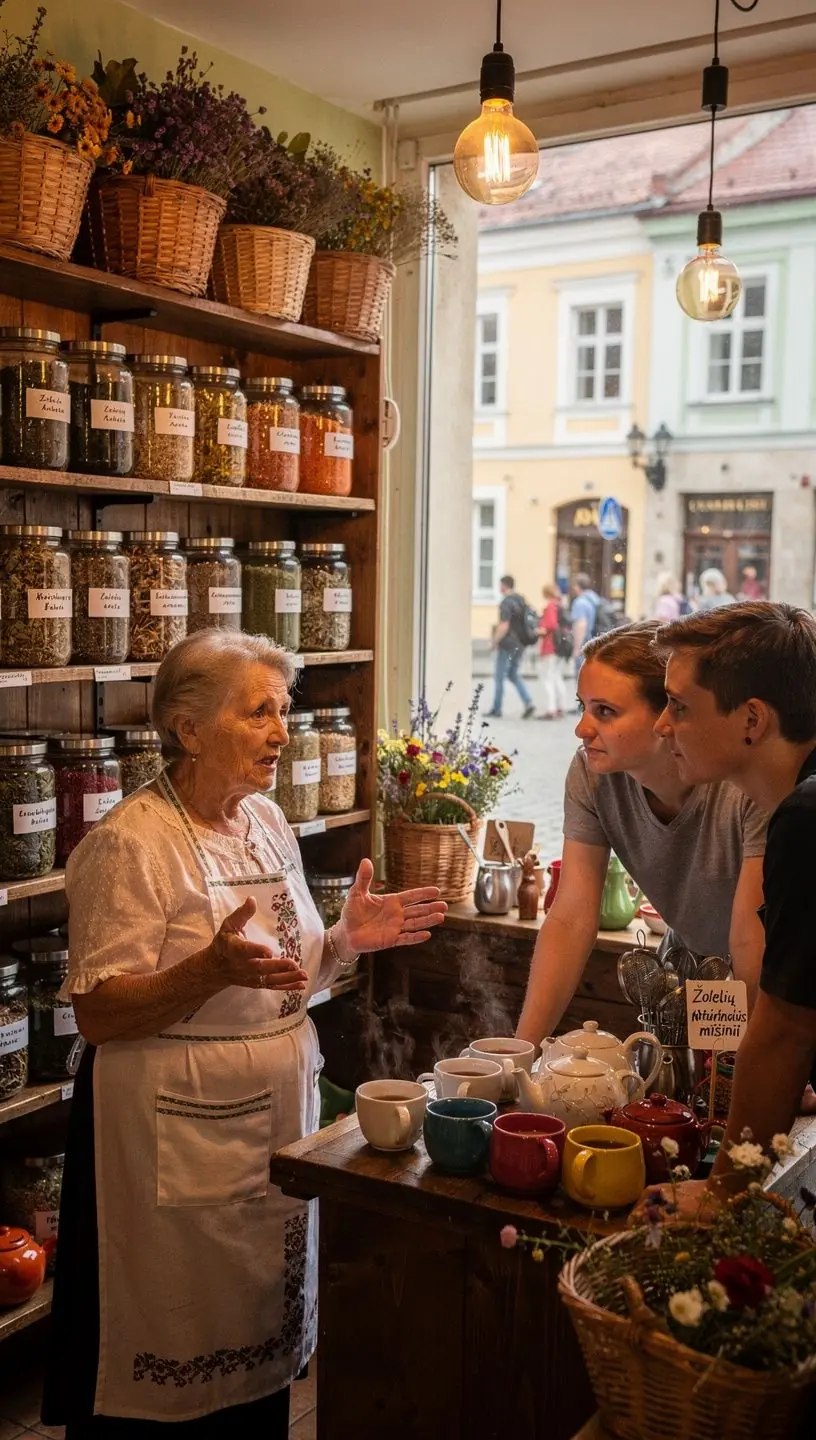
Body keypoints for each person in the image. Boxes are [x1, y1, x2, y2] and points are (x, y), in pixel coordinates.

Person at [43, 630, 446, 1437]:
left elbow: (286, 980)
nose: (281, 731)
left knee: (259, 1332)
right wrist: (206, 970)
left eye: (283, 710)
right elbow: (99, 1013)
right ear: (187, 729)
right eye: (258, 711)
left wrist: (342, 943)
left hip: (269, 1125)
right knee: (170, 1340)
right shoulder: (130, 843)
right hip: (169, 1135)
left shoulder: (265, 819)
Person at [515, 621, 766, 1049]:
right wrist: (520, 1053)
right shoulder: (591, 775)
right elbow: (571, 917)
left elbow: (751, 938)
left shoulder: (742, 786)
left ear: (667, 716)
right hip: (689, 979)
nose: (581, 728)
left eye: (605, 712)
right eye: (582, 707)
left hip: (775, 989)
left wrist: (761, 1063)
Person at [654, 602, 816, 1194]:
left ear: (752, 719)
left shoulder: (805, 818)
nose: (661, 726)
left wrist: (719, 1195)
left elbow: (785, 1030)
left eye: (678, 705)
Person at [485, 574, 536, 719]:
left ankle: (496, 709)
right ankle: (528, 702)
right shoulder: (521, 600)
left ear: (504, 585)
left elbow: (504, 625)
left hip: (507, 644)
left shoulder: (506, 602)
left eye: (500, 584)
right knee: (513, 674)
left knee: (499, 676)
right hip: (521, 643)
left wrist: (494, 642)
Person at [536, 582, 569, 720]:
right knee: (557, 676)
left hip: (550, 646)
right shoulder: (561, 606)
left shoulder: (550, 606)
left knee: (547, 677)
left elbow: (549, 626)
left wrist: (537, 631)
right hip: (561, 646)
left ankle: (551, 709)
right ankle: (561, 706)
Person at [569, 573, 600, 672]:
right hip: (596, 644)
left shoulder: (580, 602)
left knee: (581, 679)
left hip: (585, 645)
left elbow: (581, 625)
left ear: (578, 586)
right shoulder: (595, 599)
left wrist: (577, 648)